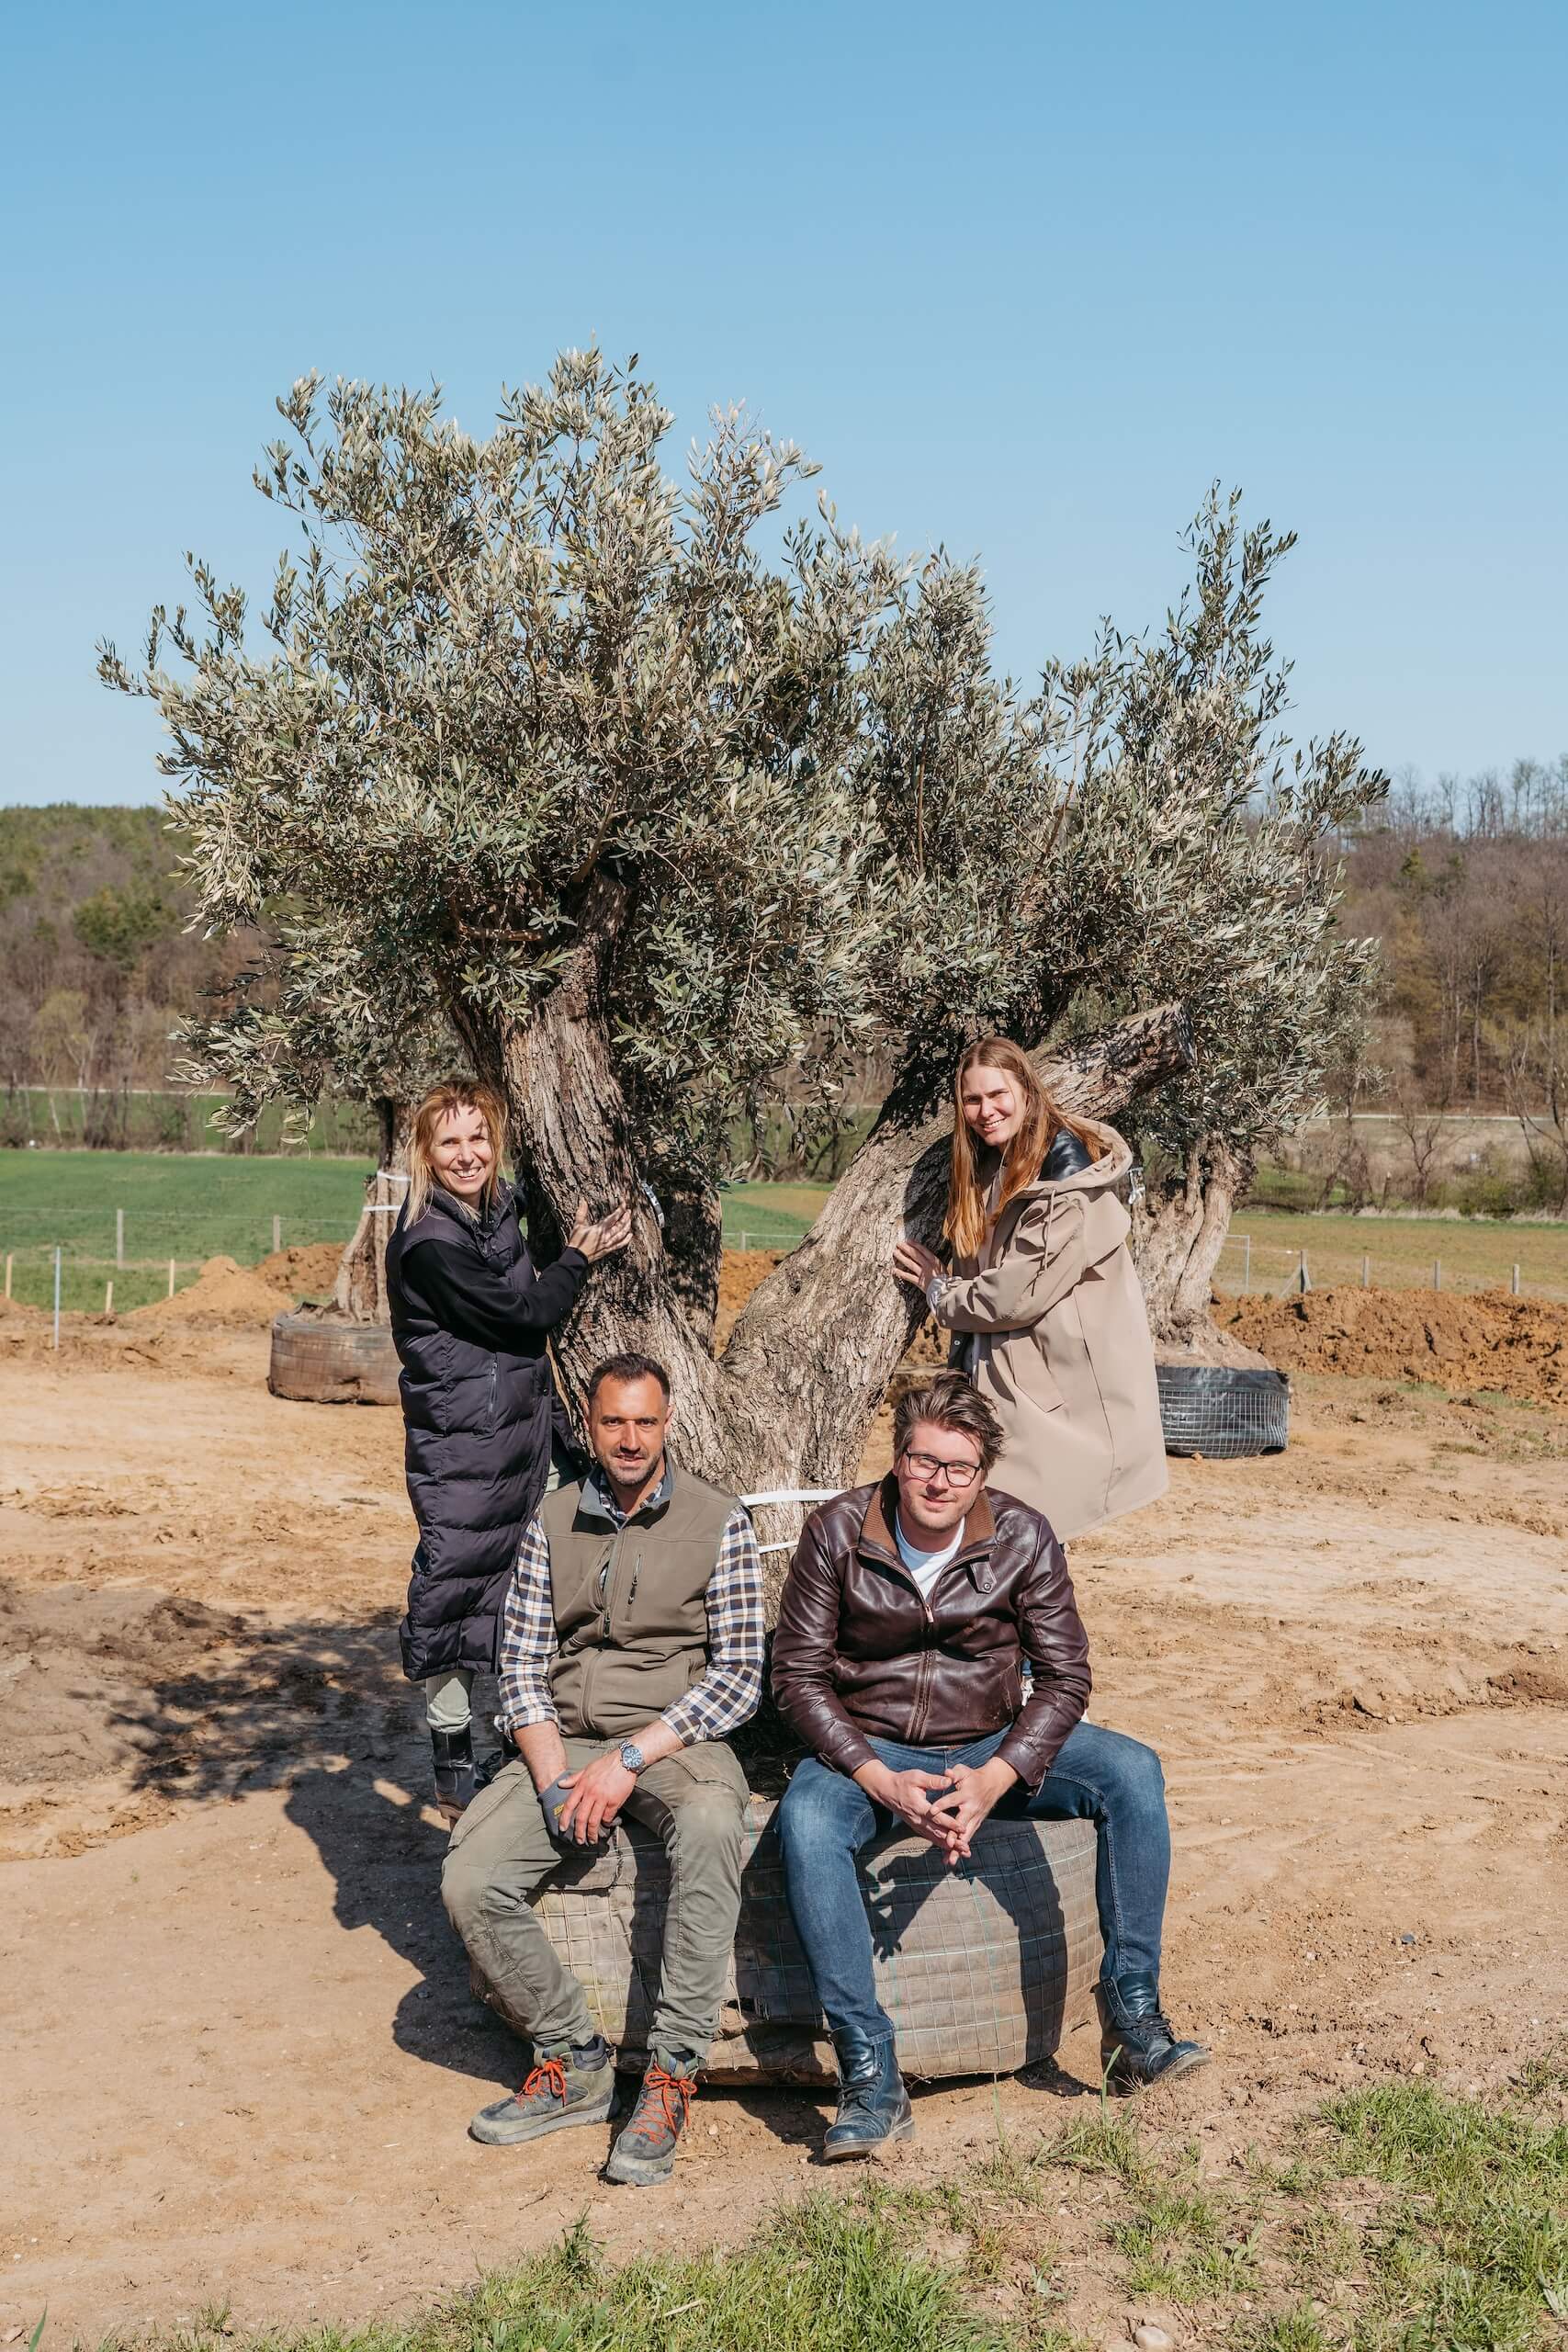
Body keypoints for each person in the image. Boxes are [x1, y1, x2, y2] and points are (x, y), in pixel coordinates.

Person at [771, 1372, 1206, 2159]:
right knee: (803, 1819)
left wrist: (999, 1775)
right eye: (921, 1460)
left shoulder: (1023, 1534)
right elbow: (796, 1676)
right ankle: (871, 2074)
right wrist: (875, 1778)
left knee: (1132, 1773)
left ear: (983, 1473)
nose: (937, 1482)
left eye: (958, 1467)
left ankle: (1132, 2018)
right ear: (896, 1456)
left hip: (987, 1739)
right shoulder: (835, 1531)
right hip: (873, 1746)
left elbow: (1066, 1675)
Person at [441, 1352, 764, 2187]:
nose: (629, 1438)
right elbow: (518, 1663)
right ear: (589, 1426)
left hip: (671, 1739)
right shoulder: (549, 1520)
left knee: (708, 1826)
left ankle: (670, 2074)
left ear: (668, 1425)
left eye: (644, 1422)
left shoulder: (718, 1520)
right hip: (564, 1736)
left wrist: (627, 1762)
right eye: (613, 1421)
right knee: (471, 1878)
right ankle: (573, 2055)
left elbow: (736, 1677)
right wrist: (553, 1778)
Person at [386, 1078, 630, 1823]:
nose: (467, 1155)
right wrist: (579, 1256)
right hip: (463, 1449)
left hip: (522, 1435)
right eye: (450, 1142)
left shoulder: (495, 1214)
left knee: (536, 1585)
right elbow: (525, 1313)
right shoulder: (428, 1242)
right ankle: (452, 1761)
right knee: (455, 1589)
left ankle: (527, 1732)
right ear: (427, 1154)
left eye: (478, 1138)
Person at [890, 1035, 1167, 1543]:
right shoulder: (995, 1166)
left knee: (1024, 1541)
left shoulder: (1066, 1182)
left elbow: (1013, 1297)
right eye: (972, 1100)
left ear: (1027, 1091)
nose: (985, 1111)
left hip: (1052, 1401)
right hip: (1008, 1384)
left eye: (997, 1095)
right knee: (1003, 1540)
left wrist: (939, 1292)